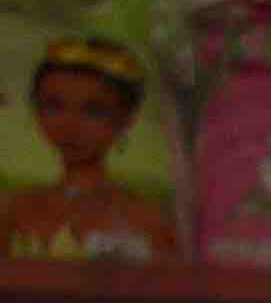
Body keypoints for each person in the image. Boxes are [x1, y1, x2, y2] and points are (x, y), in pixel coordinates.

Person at [0, 36, 166, 260]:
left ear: (126, 119)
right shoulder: (13, 210)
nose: (70, 125)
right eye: (55, 106)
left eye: (93, 110)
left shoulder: (149, 220)